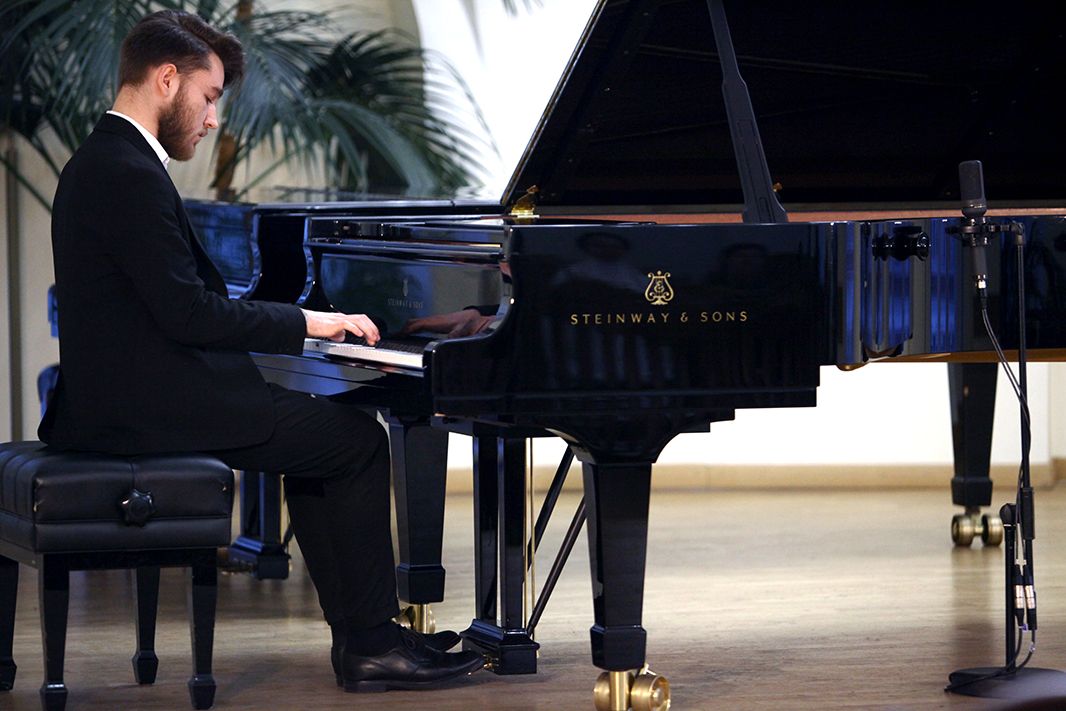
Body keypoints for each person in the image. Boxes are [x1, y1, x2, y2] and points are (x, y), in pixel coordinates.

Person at [38, 9, 484, 693]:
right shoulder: (127, 172)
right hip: (145, 409)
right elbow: (189, 313)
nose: (213, 118)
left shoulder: (102, 160)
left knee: (324, 440)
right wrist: (312, 322)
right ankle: (369, 642)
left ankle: (365, 638)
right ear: (166, 79)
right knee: (357, 442)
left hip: (125, 398)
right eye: (209, 96)